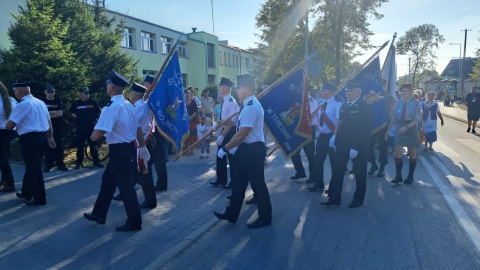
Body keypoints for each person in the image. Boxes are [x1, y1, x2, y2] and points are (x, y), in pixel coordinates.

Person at [83, 71, 150, 232]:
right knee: (108, 181)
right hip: (127, 149)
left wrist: (90, 137)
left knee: (126, 188)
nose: (107, 87)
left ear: (111, 87)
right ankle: (99, 214)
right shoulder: (128, 105)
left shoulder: (111, 107)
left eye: (107, 85)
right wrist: (142, 147)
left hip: (119, 151)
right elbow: (138, 129)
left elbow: (98, 133)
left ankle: (134, 222)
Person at [213, 74, 272, 228]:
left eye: (239, 88)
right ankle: (232, 213)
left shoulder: (252, 105)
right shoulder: (247, 104)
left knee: (258, 185)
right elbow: (237, 124)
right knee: (238, 183)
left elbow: (241, 134)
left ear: (246, 88)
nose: (237, 90)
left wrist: (225, 149)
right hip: (246, 150)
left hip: (252, 150)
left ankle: (265, 217)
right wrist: (220, 123)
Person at [321, 83, 372, 208]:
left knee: (359, 173)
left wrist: (356, 147)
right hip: (343, 143)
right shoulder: (344, 105)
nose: (348, 93)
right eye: (346, 91)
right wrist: (334, 137)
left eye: (351, 91)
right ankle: (334, 197)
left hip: (358, 146)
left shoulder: (364, 106)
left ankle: (358, 199)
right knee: (337, 171)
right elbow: (340, 122)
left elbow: (365, 129)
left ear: (358, 92)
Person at [6, 81, 56, 205]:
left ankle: (40, 198)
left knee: (34, 168)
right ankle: (26, 191)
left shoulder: (23, 104)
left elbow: (10, 125)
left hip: (29, 139)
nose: (15, 93)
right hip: (42, 137)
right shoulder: (40, 102)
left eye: (15, 91)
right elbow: (49, 121)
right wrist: (50, 137)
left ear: (20, 91)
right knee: (32, 165)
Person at [112, 82, 157, 208]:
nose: (130, 94)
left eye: (131, 92)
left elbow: (131, 125)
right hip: (144, 139)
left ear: (136, 94)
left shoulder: (138, 108)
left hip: (143, 141)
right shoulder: (143, 104)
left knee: (144, 172)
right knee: (134, 171)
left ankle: (150, 200)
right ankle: (125, 192)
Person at [384, 83, 421, 185]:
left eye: (405, 91)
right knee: (398, 153)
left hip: (411, 128)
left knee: (412, 153)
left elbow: (416, 119)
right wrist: (387, 131)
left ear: (411, 92)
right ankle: (398, 176)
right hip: (400, 128)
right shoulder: (399, 103)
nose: (403, 93)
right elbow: (394, 119)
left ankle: (410, 176)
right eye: (402, 91)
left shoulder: (416, 104)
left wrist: (407, 127)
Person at [308, 83, 342, 192]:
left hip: (331, 136)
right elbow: (312, 115)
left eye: (323, 90)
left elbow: (338, 121)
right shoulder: (322, 103)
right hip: (322, 137)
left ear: (329, 91)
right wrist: (319, 107)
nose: (321, 92)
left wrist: (335, 136)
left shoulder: (337, 104)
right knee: (318, 161)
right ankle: (319, 183)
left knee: (334, 164)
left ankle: (333, 188)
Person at [210, 78, 239, 188]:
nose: (219, 89)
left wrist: (222, 135)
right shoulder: (226, 100)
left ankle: (233, 181)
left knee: (230, 157)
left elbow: (231, 121)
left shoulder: (230, 101)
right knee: (220, 156)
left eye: (220, 87)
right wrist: (217, 123)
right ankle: (221, 179)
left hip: (229, 131)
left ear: (226, 88)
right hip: (226, 129)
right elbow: (225, 119)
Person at [142, 75, 168, 192]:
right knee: (149, 159)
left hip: (158, 131)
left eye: (145, 83)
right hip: (150, 131)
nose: (144, 85)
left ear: (151, 85)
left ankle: (162, 183)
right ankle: (136, 182)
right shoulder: (148, 96)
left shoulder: (156, 97)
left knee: (158, 159)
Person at [68, 87, 102, 169]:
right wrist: (76, 118)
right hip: (81, 126)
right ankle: (79, 163)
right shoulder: (76, 103)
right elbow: (69, 112)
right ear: (81, 94)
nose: (87, 95)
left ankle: (96, 162)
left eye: (88, 93)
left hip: (91, 125)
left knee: (93, 144)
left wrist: (95, 118)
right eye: (85, 93)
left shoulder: (92, 102)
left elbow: (99, 111)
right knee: (80, 145)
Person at [290, 94, 318, 182]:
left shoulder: (311, 100)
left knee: (310, 154)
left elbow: (311, 115)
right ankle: (300, 172)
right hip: (298, 129)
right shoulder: (299, 98)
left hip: (308, 129)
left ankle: (313, 176)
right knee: (293, 152)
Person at [41, 85, 68, 172]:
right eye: (48, 91)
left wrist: (48, 114)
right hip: (46, 127)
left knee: (58, 146)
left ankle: (60, 164)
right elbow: (41, 115)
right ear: (45, 92)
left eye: (52, 91)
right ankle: (48, 165)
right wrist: (53, 112)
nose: (50, 93)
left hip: (57, 126)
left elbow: (60, 113)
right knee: (47, 146)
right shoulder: (42, 102)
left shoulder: (58, 101)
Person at [0, 82, 17, 192]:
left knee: (2, 157)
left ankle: (10, 182)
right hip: (10, 130)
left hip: (1, 130)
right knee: (4, 155)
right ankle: (5, 179)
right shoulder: (11, 99)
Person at [184, 88, 200, 156]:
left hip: (192, 121)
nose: (188, 94)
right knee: (186, 137)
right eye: (186, 93)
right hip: (184, 121)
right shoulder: (182, 102)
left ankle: (192, 150)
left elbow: (196, 111)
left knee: (192, 136)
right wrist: (186, 117)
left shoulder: (193, 101)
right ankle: (187, 150)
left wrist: (191, 117)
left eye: (189, 93)